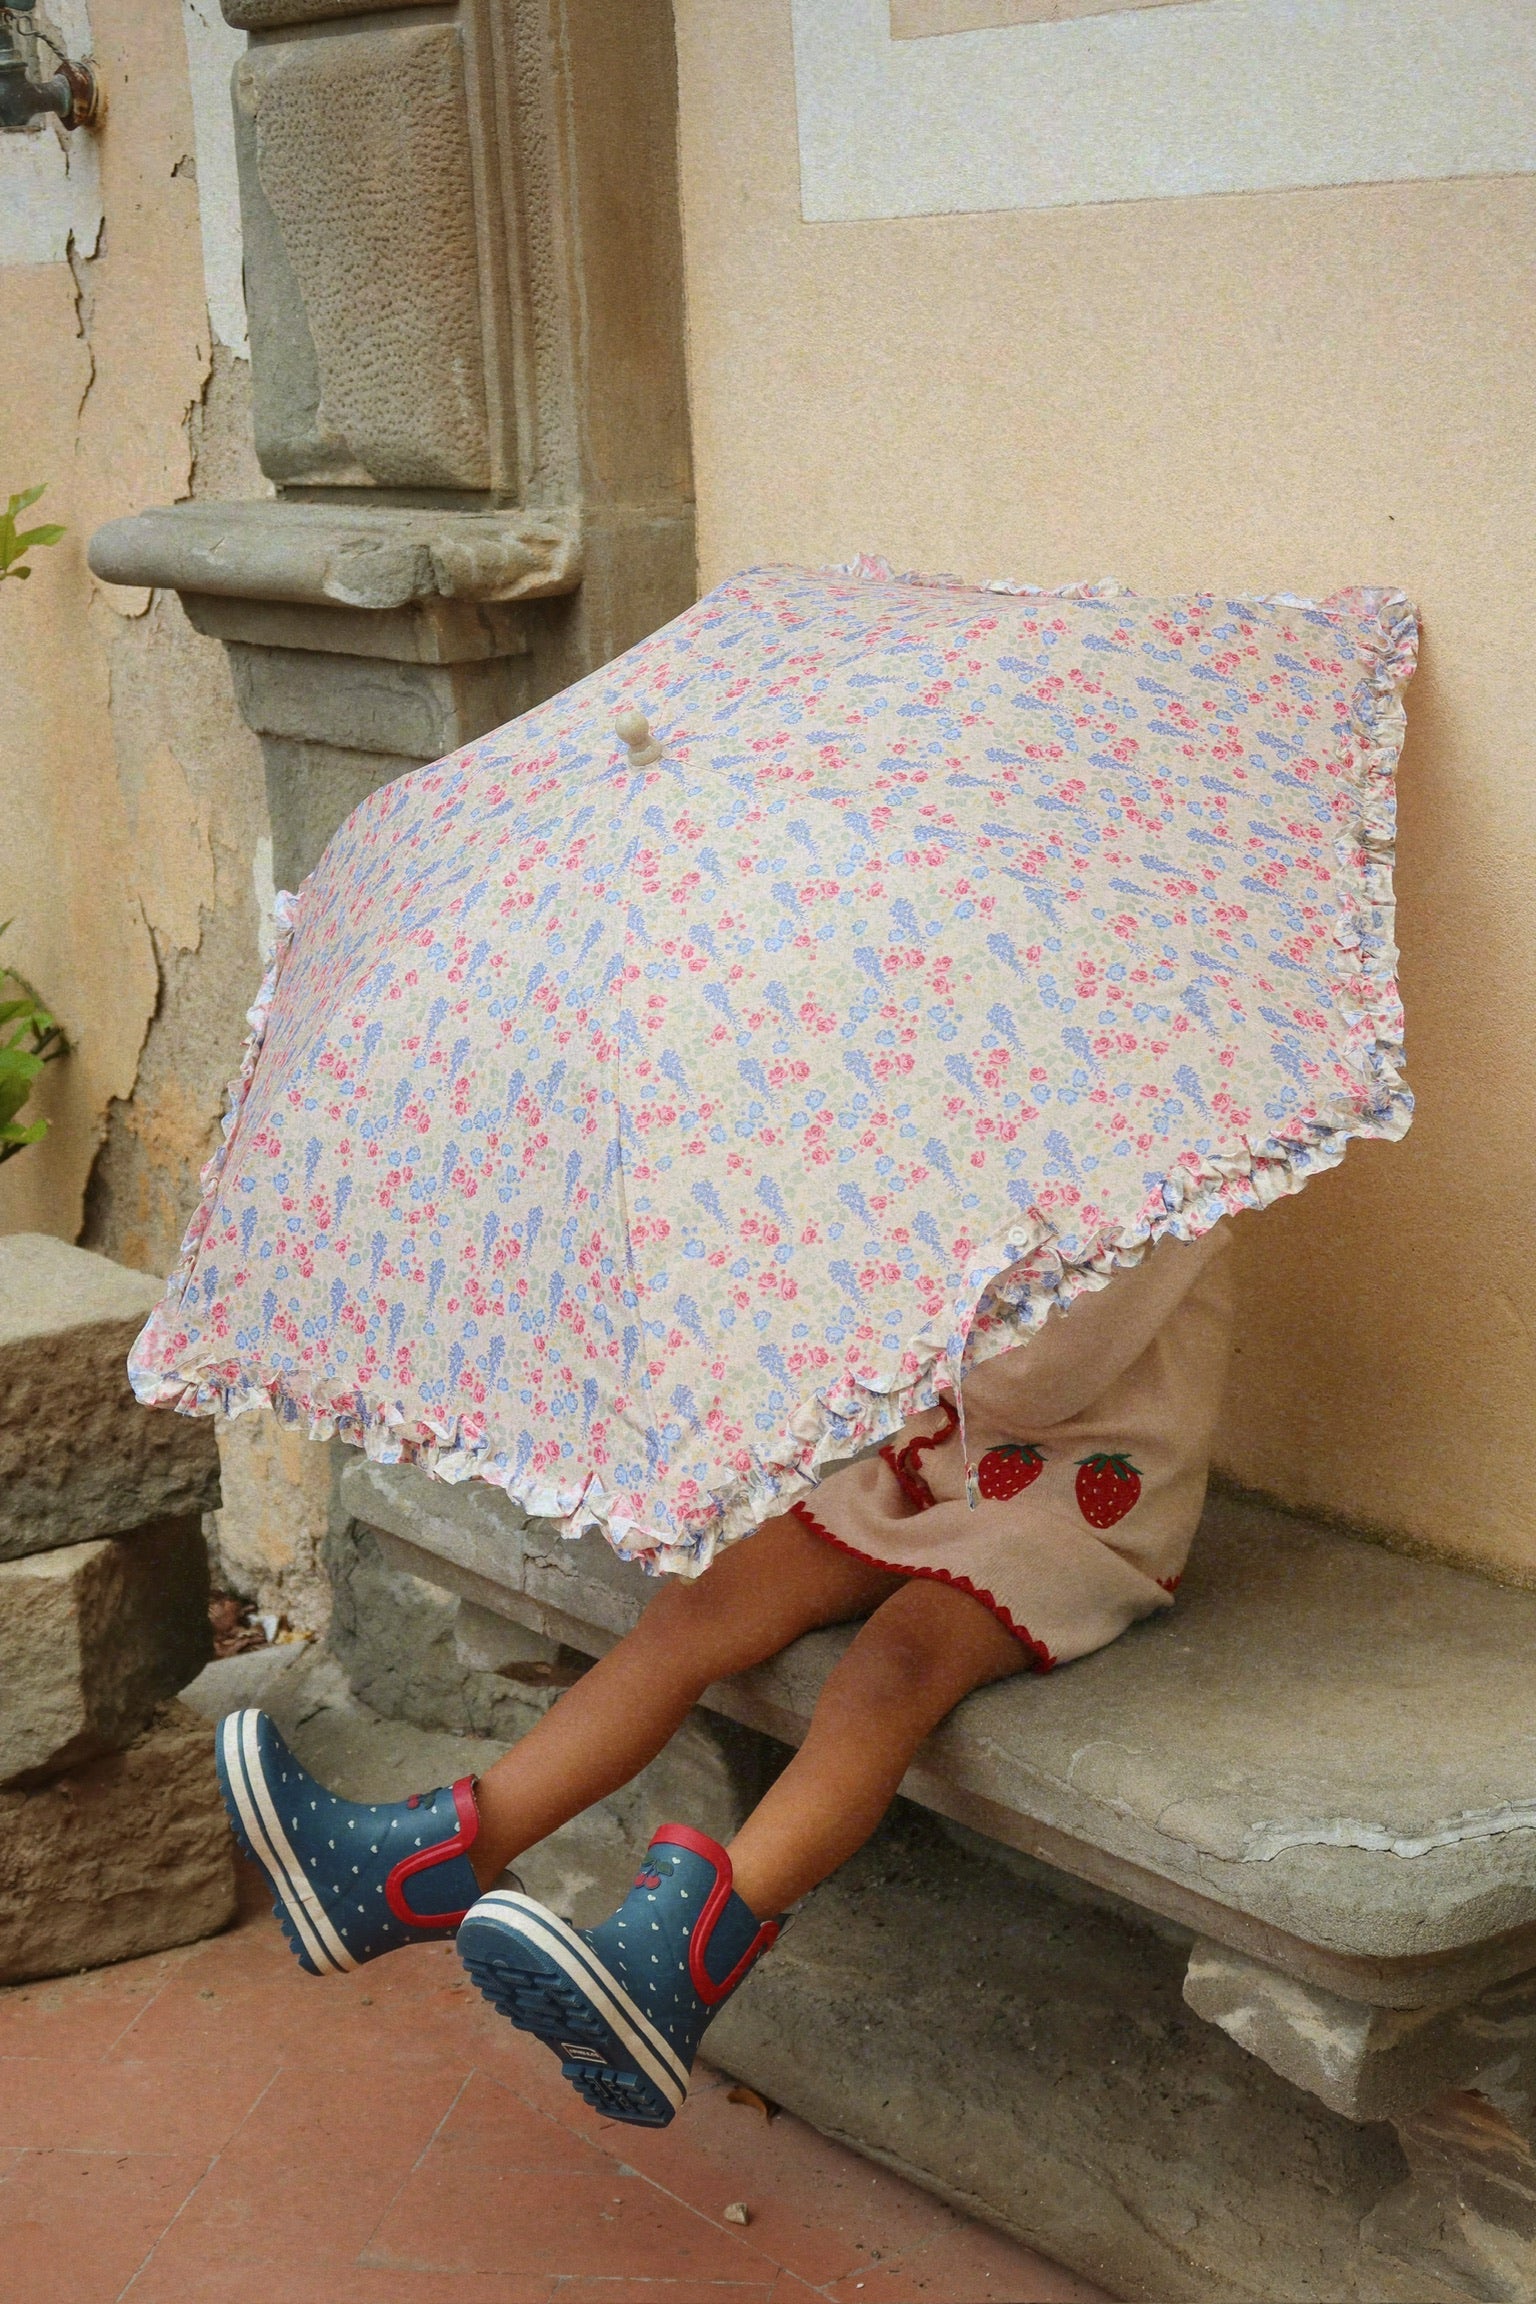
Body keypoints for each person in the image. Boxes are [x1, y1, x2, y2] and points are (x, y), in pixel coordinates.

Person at [218, 1222, 1233, 2127]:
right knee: (704, 1605)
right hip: (935, 1468)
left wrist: (891, 1263)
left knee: (890, 1671)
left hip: (1076, 1519)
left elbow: (1030, 1384)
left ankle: (670, 1970)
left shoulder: (1169, 1184)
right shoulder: (977, 1134)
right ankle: (410, 1873)